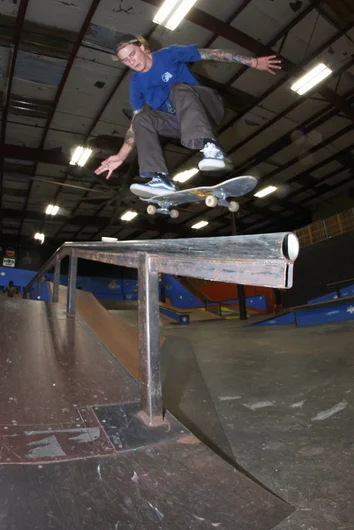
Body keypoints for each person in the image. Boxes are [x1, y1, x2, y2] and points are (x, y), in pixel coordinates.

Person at [95, 35, 281, 196]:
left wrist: (253, 62)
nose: (132, 62)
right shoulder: (136, 83)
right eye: (126, 60)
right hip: (183, 124)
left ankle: (210, 147)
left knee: (178, 89)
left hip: (207, 107)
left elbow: (212, 53)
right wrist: (121, 155)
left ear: (142, 47)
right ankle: (160, 179)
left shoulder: (169, 54)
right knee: (142, 119)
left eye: (133, 54)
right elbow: (134, 123)